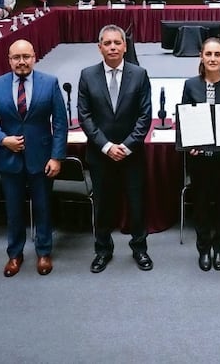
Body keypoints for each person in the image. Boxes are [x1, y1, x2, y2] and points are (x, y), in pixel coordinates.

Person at [0, 39, 67, 277]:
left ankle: (43, 252)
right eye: (16, 58)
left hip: (41, 158)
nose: (21, 62)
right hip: (10, 159)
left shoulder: (49, 83)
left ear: (34, 57)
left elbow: (60, 123)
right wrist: (2, 139)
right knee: (14, 211)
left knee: (43, 208)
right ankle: (14, 255)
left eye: (26, 57)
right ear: (9, 60)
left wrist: (57, 157)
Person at [77, 25, 153, 273]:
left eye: (117, 43)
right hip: (101, 155)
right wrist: (107, 146)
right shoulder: (87, 75)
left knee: (137, 205)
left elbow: (145, 115)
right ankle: (102, 251)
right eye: (107, 43)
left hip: (132, 156)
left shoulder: (139, 74)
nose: (112, 47)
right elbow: (85, 116)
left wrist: (127, 146)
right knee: (103, 206)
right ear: (99, 47)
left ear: (125, 46)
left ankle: (140, 249)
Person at [179, 37, 220, 271]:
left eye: (217, 54)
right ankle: (204, 249)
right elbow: (184, 120)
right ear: (201, 57)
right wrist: (189, 144)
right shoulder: (190, 85)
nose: (213, 59)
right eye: (209, 54)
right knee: (202, 206)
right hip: (199, 160)